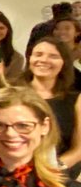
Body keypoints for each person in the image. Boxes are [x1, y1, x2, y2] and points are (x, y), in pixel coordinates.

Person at [22, 37, 81, 167]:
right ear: (30, 59)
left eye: (53, 56)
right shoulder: (11, 93)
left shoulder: (76, 100)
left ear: (64, 63)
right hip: (15, 170)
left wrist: (52, 169)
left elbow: (78, 150)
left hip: (59, 170)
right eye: (38, 54)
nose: (43, 60)